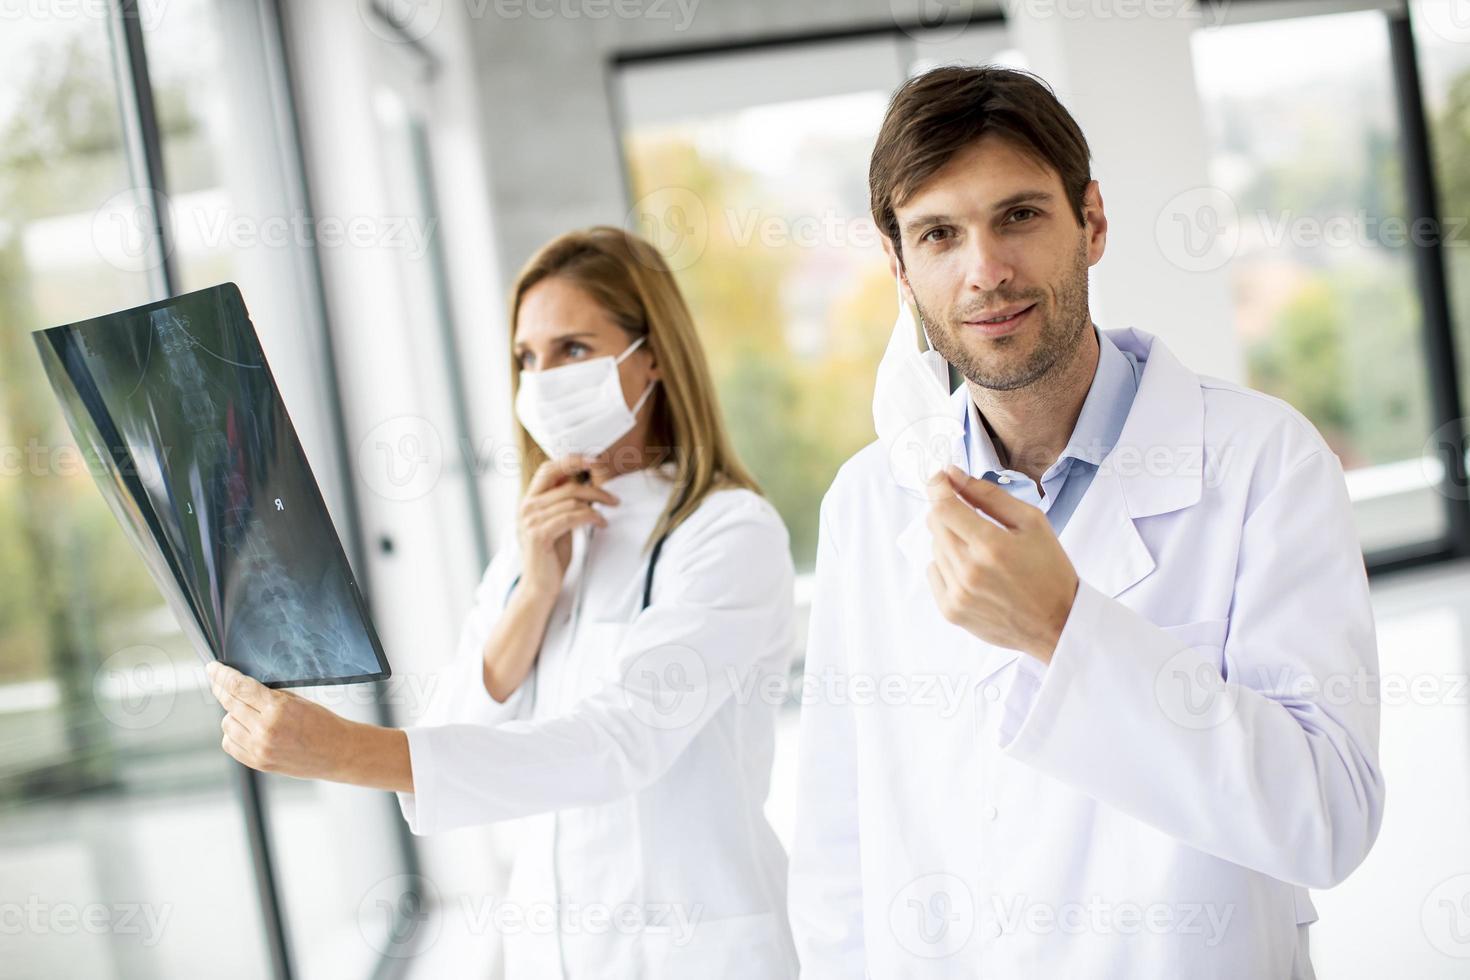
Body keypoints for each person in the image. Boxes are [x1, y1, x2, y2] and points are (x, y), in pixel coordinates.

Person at [787, 66, 1384, 979]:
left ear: (1092, 223)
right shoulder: (870, 505)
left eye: (1019, 216)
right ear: (898, 266)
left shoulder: (1264, 462)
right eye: (939, 234)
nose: (985, 271)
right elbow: (839, 846)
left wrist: (1066, 629)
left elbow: (1327, 819)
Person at [208, 226, 799, 979]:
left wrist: (342, 751)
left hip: (693, 952)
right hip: (551, 951)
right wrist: (535, 594)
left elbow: (619, 744)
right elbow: (456, 731)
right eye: (527, 357)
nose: (543, 377)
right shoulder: (534, 543)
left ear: (652, 355)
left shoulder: (726, 532)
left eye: (573, 349)